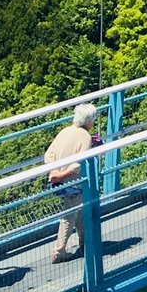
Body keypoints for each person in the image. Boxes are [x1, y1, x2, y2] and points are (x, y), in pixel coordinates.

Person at [41, 105, 100, 264]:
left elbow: (49, 154)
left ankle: (85, 242)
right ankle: (59, 251)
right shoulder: (85, 136)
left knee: (78, 210)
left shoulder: (65, 131)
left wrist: (54, 172)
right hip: (74, 182)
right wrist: (62, 174)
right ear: (88, 120)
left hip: (58, 181)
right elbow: (79, 164)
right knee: (69, 215)